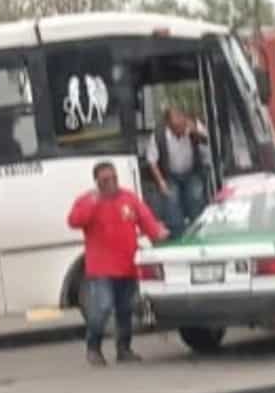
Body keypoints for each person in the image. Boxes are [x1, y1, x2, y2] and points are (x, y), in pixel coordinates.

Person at [68, 161, 168, 367]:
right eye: (105, 180)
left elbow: (146, 219)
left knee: (125, 309)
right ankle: (93, 349)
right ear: (97, 182)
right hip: (100, 269)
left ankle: (124, 349)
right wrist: (93, 202)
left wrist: (158, 233)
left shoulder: (128, 198)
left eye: (114, 178)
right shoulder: (87, 200)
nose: (111, 183)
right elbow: (74, 221)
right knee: (102, 308)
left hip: (127, 265)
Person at [146, 107, 208, 237]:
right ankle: (178, 234)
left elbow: (210, 142)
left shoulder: (194, 127)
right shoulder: (159, 135)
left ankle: (199, 231)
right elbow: (152, 161)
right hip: (170, 175)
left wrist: (195, 132)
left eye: (182, 125)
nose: (180, 129)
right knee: (171, 200)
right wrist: (161, 182)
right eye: (176, 127)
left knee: (196, 196)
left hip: (191, 172)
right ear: (168, 125)